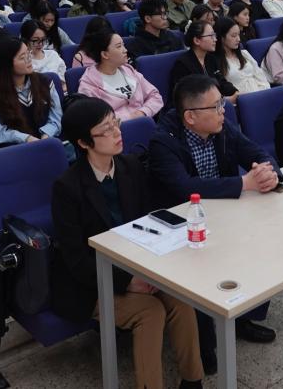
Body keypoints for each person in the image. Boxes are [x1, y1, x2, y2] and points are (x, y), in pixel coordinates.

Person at [51, 98, 204, 389]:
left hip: (137, 266)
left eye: (116, 123)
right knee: (151, 312)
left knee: (181, 299)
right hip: (92, 283)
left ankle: (192, 380)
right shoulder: (67, 188)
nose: (117, 133)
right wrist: (128, 282)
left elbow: (148, 222)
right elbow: (77, 260)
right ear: (83, 142)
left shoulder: (130, 166)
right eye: (106, 129)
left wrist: (151, 272)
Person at [147, 75, 281, 354]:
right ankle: (204, 346)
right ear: (191, 116)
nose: (223, 111)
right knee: (199, 279)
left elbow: (255, 151)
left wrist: (269, 173)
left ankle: (244, 318)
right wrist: (243, 183)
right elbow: (184, 187)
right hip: (184, 226)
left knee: (263, 244)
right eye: (216, 106)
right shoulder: (163, 141)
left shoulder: (221, 127)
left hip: (225, 214)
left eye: (222, 104)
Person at [0, 37, 63, 147]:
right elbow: (0, 132)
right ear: (7, 64)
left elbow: (56, 118)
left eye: (28, 53)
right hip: (16, 150)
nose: (29, 59)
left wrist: (45, 136)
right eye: (22, 57)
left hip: (47, 143)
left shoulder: (45, 82)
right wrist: (27, 138)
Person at [77, 32, 163, 121]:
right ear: (105, 54)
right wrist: (129, 119)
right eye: (119, 46)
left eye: (123, 45)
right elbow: (94, 119)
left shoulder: (128, 70)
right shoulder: (88, 85)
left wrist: (143, 112)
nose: (125, 50)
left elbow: (155, 96)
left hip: (143, 122)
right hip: (117, 128)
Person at [168, 20, 237, 102]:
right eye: (211, 36)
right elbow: (188, 96)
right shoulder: (183, 64)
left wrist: (234, 91)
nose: (215, 39)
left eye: (214, 35)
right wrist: (222, 100)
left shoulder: (211, 59)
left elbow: (221, 82)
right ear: (197, 40)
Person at [215, 17, 270, 94]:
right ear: (222, 38)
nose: (238, 39)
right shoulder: (216, 61)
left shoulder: (244, 53)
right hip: (241, 97)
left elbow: (260, 75)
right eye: (234, 36)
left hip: (260, 92)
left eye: (238, 35)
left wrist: (265, 92)